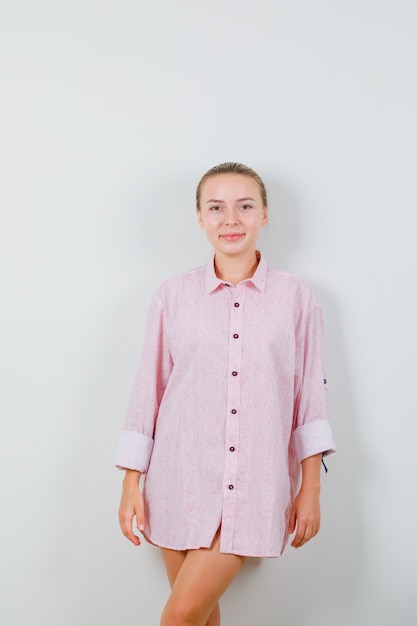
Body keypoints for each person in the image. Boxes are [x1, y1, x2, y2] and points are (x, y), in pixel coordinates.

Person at [116, 162, 336, 626]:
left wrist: (310, 488)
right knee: (198, 618)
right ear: (199, 217)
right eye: (216, 207)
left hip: (252, 483)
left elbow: (309, 398)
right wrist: (131, 482)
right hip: (176, 480)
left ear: (265, 214)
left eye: (244, 206)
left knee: (178, 618)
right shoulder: (172, 296)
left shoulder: (297, 298)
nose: (230, 219)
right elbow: (148, 390)